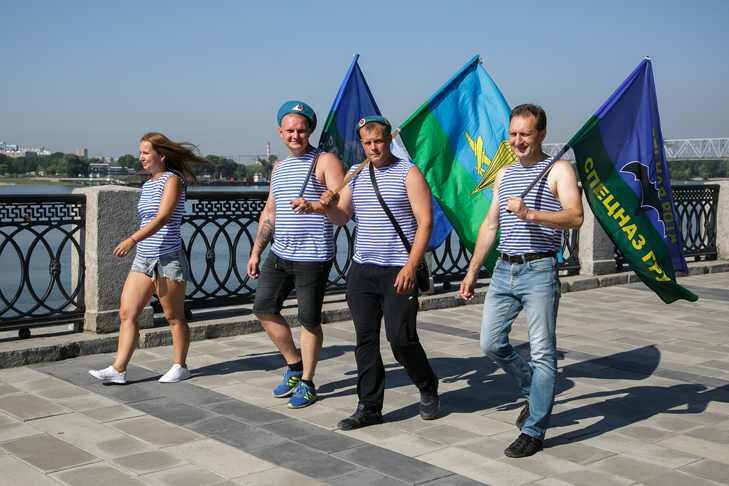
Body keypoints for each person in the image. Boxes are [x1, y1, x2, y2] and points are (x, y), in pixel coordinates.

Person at [459, 104, 584, 457]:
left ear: (541, 134)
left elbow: (575, 217)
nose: (518, 141)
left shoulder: (558, 169)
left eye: (525, 134)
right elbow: (490, 225)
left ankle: (534, 429)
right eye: (513, 134)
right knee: (490, 343)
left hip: (540, 271)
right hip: (503, 270)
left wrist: (531, 213)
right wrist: (471, 272)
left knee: (543, 351)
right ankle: (535, 389)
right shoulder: (505, 174)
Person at [319, 116, 440, 430]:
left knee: (401, 339)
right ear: (362, 143)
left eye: (379, 141)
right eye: (368, 142)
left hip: (399, 269)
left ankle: (427, 384)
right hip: (363, 271)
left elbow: (426, 223)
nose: (374, 148)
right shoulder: (356, 174)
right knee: (366, 340)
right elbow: (342, 217)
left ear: (389, 140)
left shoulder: (408, 173)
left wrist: (411, 266)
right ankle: (369, 406)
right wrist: (326, 205)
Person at [247, 100, 345, 409]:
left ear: (310, 130)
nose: (296, 136)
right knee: (263, 308)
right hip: (279, 252)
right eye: (290, 131)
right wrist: (255, 250)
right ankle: (294, 364)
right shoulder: (279, 167)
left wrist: (322, 203)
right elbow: (271, 211)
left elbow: (343, 214)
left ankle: (308, 381)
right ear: (280, 132)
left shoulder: (325, 161)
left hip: (313, 256)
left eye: (301, 130)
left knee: (309, 320)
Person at [89, 132, 207, 384]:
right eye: (140, 152)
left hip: (168, 257)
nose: (140, 157)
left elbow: (163, 217)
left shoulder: (172, 180)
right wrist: (139, 245)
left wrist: (132, 239)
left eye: (145, 152)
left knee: (173, 316)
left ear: (161, 155)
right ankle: (119, 369)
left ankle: (180, 365)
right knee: (126, 313)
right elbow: (147, 218)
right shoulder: (148, 184)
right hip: (144, 259)